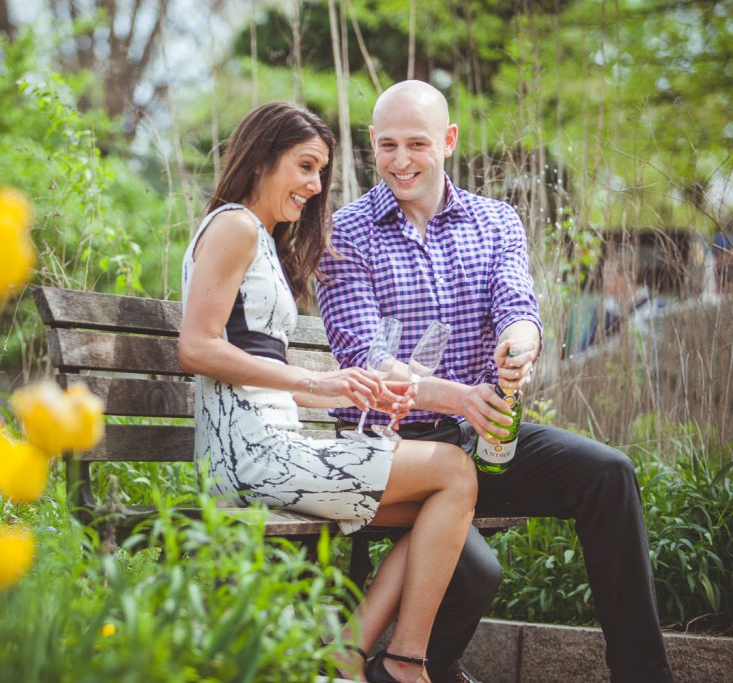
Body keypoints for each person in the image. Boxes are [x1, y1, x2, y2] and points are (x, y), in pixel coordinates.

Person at [317, 80, 674, 683]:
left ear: (449, 141)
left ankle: (644, 674)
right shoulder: (345, 233)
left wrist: (520, 346)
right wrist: (458, 396)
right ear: (372, 144)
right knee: (476, 571)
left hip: (486, 439)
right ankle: (405, 668)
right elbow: (363, 355)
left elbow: (519, 306)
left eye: (417, 144)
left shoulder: (495, 221)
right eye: (387, 146)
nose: (401, 161)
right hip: (395, 454)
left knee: (608, 473)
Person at [179, 102, 478, 683]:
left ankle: (349, 651)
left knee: (437, 508)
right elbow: (196, 347)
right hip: (248, 457)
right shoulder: (235, 226)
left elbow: (268, 376)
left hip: (272, 443)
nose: (316, 187)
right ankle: (401, 661)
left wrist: (355, 390)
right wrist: (319, 379)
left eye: (322, 173)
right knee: (455, 472)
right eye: (306, 167)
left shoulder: (263, 239)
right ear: (264, 159)